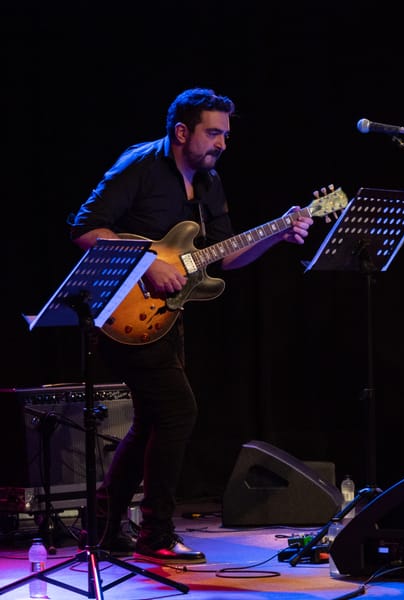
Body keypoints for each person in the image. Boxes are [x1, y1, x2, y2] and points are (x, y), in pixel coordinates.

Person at [67, 88, 314, 564]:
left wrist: (279, 233)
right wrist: (145, 264)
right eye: (213, 132)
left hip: (166, 320)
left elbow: (227, 256)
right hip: (121, 313)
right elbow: (86, 228)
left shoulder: (208, 183)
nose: (222, 143)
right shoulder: (139, 166)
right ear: (182, 131)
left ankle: (103, 520)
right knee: (178, 412)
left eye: (226, 134)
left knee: (152, 421)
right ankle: (155, 532)